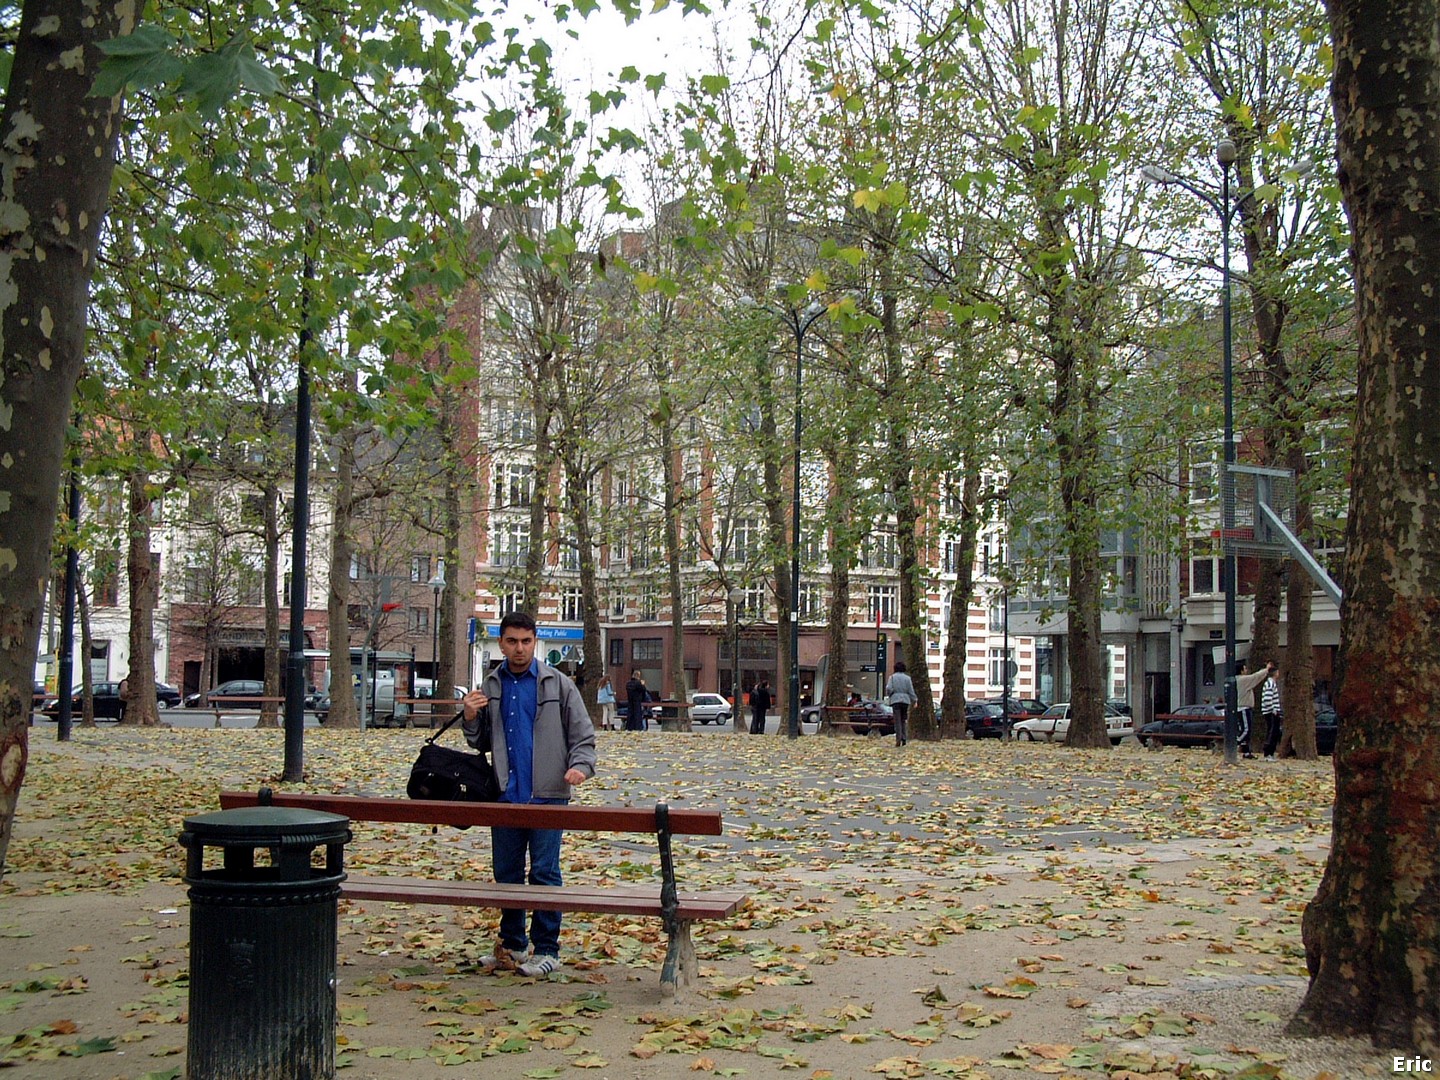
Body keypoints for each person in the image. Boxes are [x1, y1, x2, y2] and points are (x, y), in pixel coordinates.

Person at [460, 611, 596, 977]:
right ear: (501, 643)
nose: (519, 649)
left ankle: (547, 948)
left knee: (544, 873)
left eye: (526, 641)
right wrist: (470, 719)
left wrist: (580, 767)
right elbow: (481, 743)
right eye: (511, 641)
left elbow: (583, 735)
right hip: (505, 793)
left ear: (534, 642)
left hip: (548, 794)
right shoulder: (491, 685)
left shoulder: (558, 684)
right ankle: (513, 944)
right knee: (506, 873)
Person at [1234, 660, 1274, 760]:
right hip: (1243, 708)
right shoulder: (1242, 680)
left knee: (1246, 729)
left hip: (1243, 707)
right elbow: (1256, 677)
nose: (1246, 670)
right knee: (1246, 730)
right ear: (1241, 671)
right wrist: (1267, 669)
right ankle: (1234, 743)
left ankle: (1246, 752)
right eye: (1245, 668)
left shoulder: (1237, 680)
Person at [886, 661, 917, 746]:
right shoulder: (908, 678)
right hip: (905, 701)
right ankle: (904, 738)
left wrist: (890, 694)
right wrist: (915, 700)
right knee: (903, 720)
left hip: (895, 700)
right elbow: (911, 690)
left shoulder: (892, 677)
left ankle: (898, 739)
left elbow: (889, 688)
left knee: (897, 720)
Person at [1261, 664, 1284, 759]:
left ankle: (1270, 752)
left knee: (1273, 732)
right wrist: (1273, 709)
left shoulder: (1270, 683)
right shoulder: (1270, 683)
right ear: (1275, 673)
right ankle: (1268, 753)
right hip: (1271, 712)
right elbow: (1267, 698)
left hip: (1270, 711)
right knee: (1272, 732)